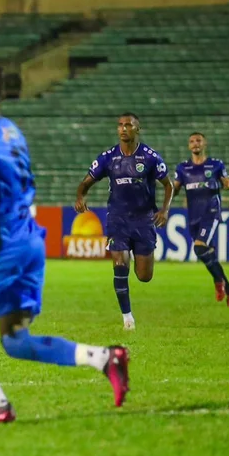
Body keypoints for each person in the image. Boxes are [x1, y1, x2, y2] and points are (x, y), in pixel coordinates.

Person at [0, 62, 130, 426]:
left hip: (1, 242)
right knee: (15, 340)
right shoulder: (11, 131)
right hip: (29, 240)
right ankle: (106, 358)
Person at [75, 113, 174, 330]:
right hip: (117, 219)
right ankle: (127, 318)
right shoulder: (108, 157)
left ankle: (139, 274)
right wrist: (80, 197)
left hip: (144, 220)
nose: (123, 129)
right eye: (120, 125)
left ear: (137, 129)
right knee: (120, 265)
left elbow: (168, 185)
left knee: (144, 276)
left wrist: (165, 211)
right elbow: (85, 183)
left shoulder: (150, 157)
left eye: (128, 125)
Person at [173, 132, 229, 306]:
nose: (195, 144)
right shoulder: (182, 168)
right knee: (208, 255)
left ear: (205, 144)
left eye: (198, 141)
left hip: (211, 211)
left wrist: (226, 184)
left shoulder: (216, 165)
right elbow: (175, 188)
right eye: (192, 141)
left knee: (199, 247)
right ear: (189, 146)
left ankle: (219, 283)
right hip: (194, 215)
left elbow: (228, 183)